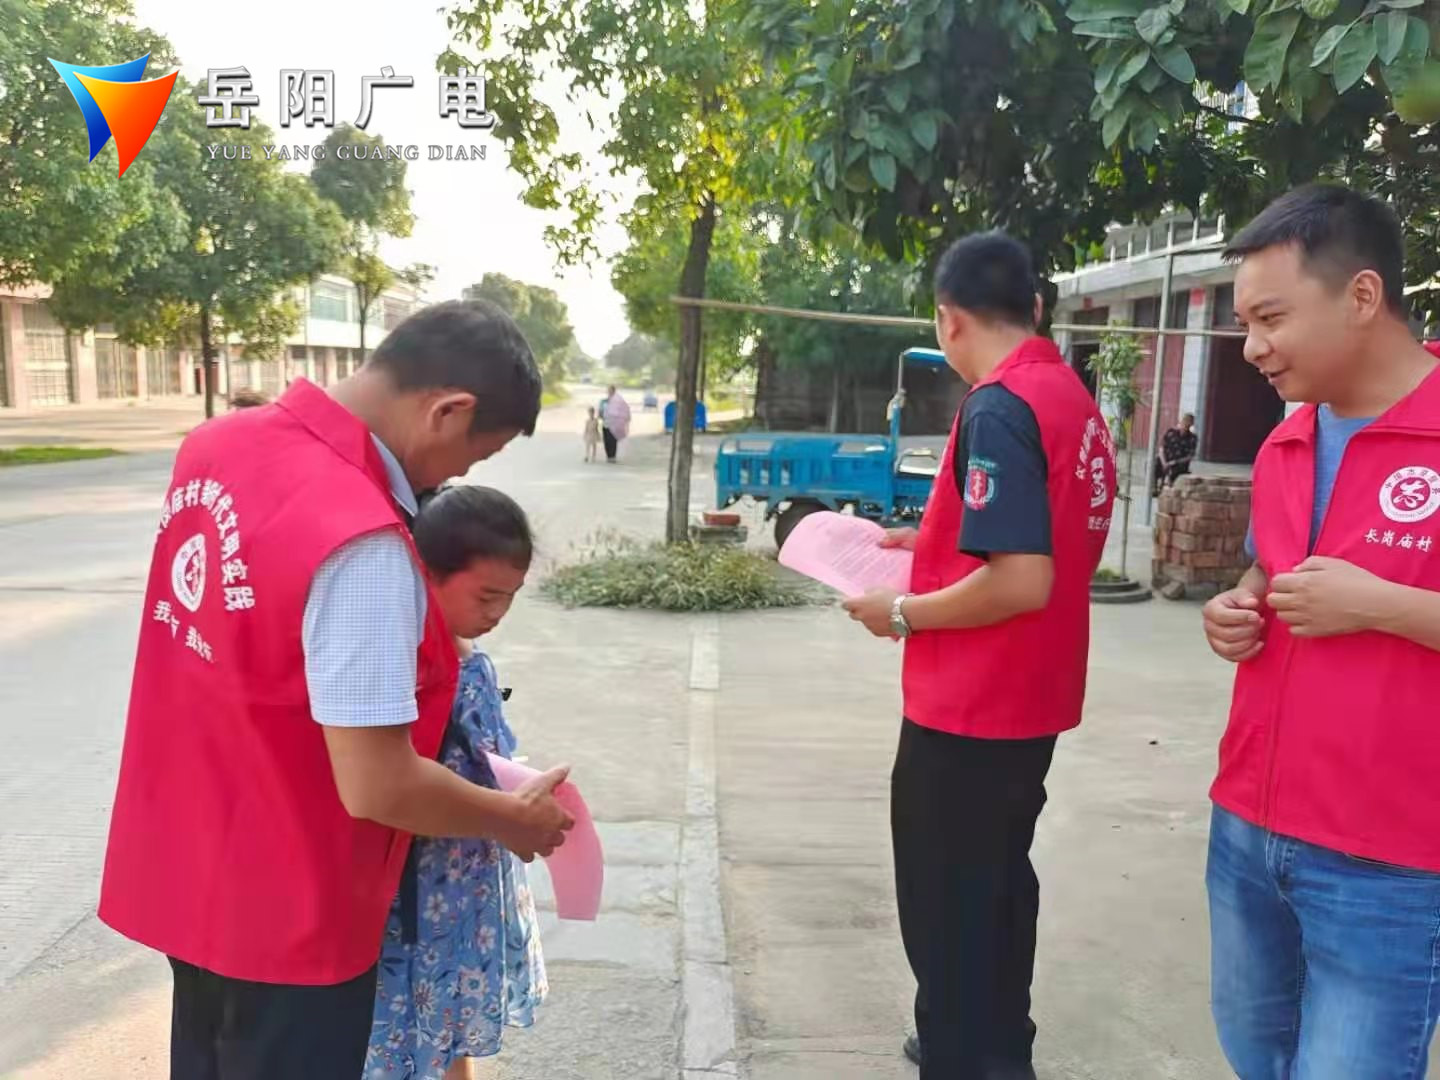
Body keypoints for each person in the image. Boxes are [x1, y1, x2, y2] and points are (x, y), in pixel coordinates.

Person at [98, 300, 576, 1080]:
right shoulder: (362, 540)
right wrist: (511, 820)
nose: (454, 479)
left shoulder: (216, 446)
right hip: (291, 904)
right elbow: (378, 783)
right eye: (471, 456)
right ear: (448, 410)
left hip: (188, 867)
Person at [842, 232, 1115, 1080]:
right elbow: (1050, 525)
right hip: (1032, 697)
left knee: (945, 903)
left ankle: (962, 1054)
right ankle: (1000, 1047)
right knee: (997, 882)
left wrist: (902, 612)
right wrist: (927, 537)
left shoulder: (998, 405)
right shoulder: (1068, 395)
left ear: (948, 319)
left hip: (970, 703)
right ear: (1033, 307)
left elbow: (1022, 578)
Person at [1202, 184, 1440, 1079]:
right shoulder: (1289, 441)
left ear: (1363, 296)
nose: (1252, 347)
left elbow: (1354, 597)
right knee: (1255, 1053)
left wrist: (1382, 605)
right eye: (1245, 323)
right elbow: (1270, 570)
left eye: (1271, 318)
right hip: (1249, 824)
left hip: (1389, 857)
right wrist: (1240, 605)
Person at [366, 485, 547, 1080]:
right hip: (414, 883)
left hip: (463, 877)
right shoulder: (399, 663)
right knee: (404, 1022)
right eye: (487, 596)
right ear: (427, 574)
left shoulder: (471, 660)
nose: (498, 613)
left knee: (446, 1024)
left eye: (511, 597)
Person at [1153, 412, 1197, 495]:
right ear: (1181, 422)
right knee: (1154, 463)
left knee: (1176, 469)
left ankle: (1168, 485)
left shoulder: (1192, 438)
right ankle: (1154, 487)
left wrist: (1174, 462)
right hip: (1165, 459)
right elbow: (1161, 448)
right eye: (1184, 423)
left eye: (1188, 424)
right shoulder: (1171, 432)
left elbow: (1190, 456)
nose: (1185, 426)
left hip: (1178, 462)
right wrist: (1164, 462)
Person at [600, 384, 630, 463]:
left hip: (615, 425)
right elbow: (600, 412)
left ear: (614, 391)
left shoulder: (618, 401)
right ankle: (608, 456)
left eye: (611, 390)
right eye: (608, 391)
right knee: (606, 441)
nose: (609, 392)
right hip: (605, 424)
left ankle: (613, 456)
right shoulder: (603, 401)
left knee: (613, 440)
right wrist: (602, 415)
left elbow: (624, 411)